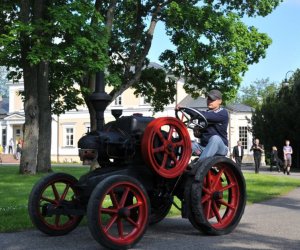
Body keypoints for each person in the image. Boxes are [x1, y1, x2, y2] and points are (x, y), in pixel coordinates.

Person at [190, 89, 228, 160]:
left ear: (220, 101)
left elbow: (206, 116)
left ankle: (199, 164)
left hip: (220, 148)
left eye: (212, 100)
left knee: (215, 138)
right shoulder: (203, 115)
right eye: (208, 99)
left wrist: (187, 109)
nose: (209, 101)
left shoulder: (223, 113)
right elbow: (199, 134)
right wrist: (197, 133)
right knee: (187, 143)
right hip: (203, 147)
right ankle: (173, 166)